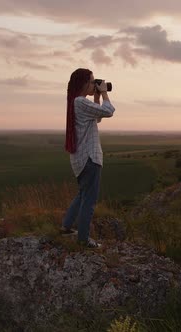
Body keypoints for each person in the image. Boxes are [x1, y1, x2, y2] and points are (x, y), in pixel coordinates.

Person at [61, 68, 115, 248]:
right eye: (92, 82)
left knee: (82, 194)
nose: (95, 85)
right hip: (90, 158)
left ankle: (66, 226)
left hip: (80, 158)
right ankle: (83, 239)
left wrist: (97, 97)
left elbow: (96, 118)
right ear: (83, 84)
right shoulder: (80, 102)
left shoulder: (76, 103)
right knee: (89, 200)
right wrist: (105, 94)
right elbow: (108, 112)